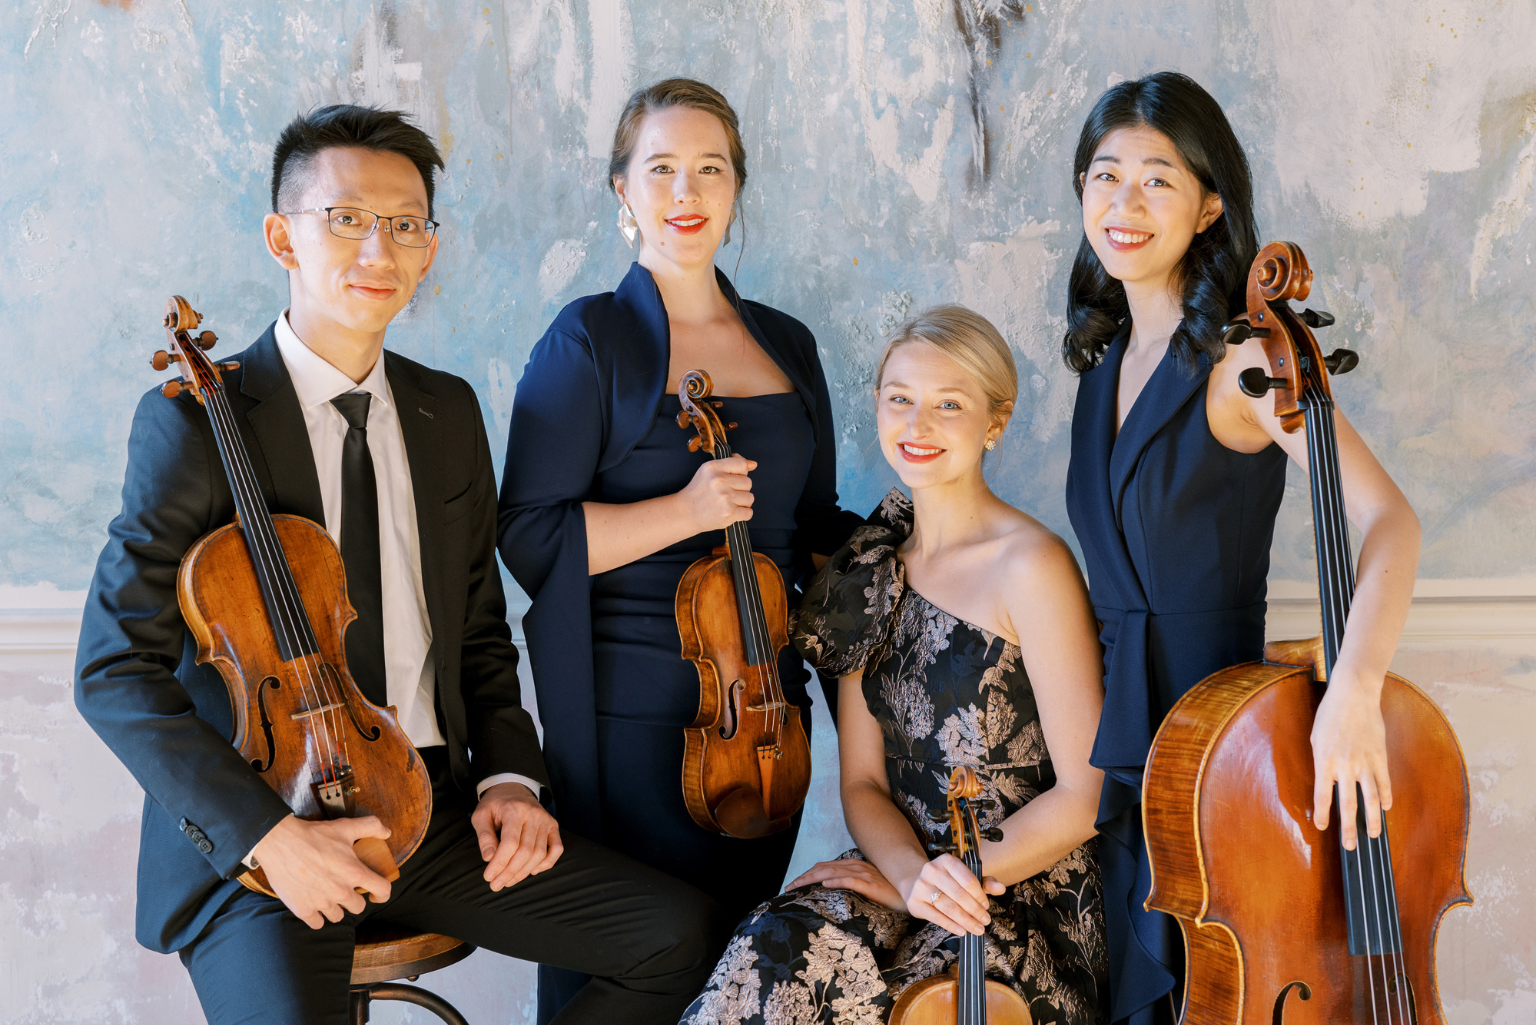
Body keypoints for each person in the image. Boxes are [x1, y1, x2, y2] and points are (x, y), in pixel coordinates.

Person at [74, 104, 721, 1025]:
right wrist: (270, 837)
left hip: (432, 811)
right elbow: (113, 672)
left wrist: (507, 779)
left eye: (406, 225)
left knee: (677, 937)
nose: (378, 249)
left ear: (428, 250)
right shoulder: (194, 422)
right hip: (265, 836)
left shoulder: (446, 411)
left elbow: (477, 627)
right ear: (281, 237)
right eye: (345, 219)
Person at [497, 78, 863, 1022]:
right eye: (659, 169)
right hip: (631, 725)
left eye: (709, 168)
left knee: (736, 979)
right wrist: (686, 509)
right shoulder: (590, 340)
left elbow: (811, 522)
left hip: (762, 718)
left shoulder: (788, 342)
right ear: (623, 191)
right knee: (633, 977)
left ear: (737, 189)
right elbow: (529, 535)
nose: (684, 190)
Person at [1061, 73, 1421, 1024]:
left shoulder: (1243, 362)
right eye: (1105, 176)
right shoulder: (1102, 370)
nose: (1123, 205)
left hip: (1230, 761)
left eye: (1157, 181)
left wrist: (1354, 690)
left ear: (1210, 203)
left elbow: (1390, 522)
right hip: (1125, 749)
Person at [682, 305, 1110, 1024]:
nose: (919, 424)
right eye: (901, 398)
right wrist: (912, 878)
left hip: (1017, 894)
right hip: (902, 872)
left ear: (994, 420)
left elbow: (1087, 793)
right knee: (770, 951)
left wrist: (952, 881)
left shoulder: (1033, 565)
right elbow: (863, 781)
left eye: (950, 404)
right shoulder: (867, 570)